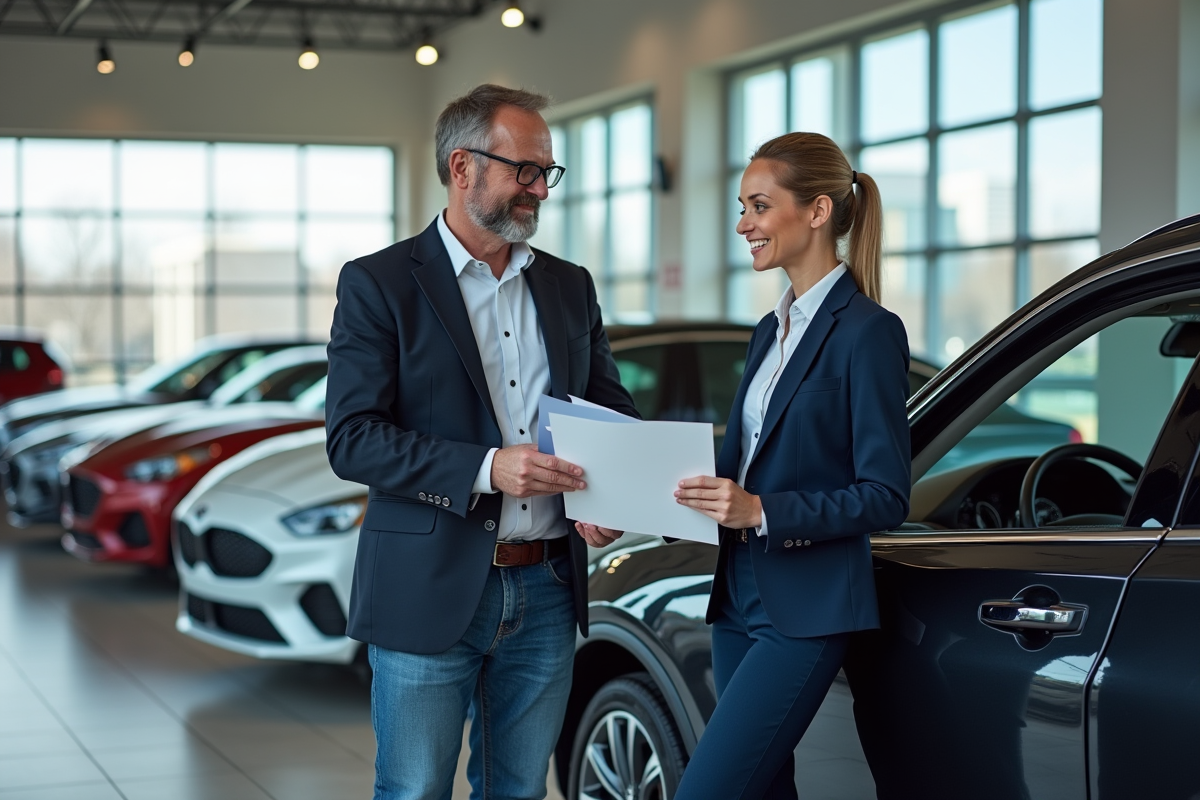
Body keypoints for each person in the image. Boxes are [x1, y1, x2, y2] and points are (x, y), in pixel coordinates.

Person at [324, 84, 634, 800]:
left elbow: (605, 407)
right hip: (427, 587)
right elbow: (352, 440)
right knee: (414, 789)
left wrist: (606, 488)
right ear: (463, 168)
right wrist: (490, 468)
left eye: (546, 173)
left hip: (549, 586)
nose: (539, 191)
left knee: (519, 790)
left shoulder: (568, 286)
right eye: (523, 170)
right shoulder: (379, 285)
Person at [670, 132, 911, 800]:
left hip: (805, 608)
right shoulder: (766, 333)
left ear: (817, 211)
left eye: (757, 205)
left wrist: (764, 511)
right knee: (763, 789)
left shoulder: (867, 332)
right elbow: (734, 470)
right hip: (736, 595)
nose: (743, 224)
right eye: (741, 207)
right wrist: (637, 504)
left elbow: (886, 494)